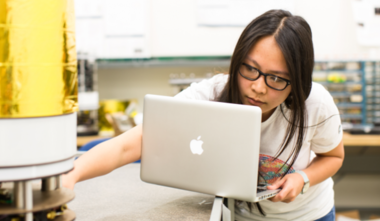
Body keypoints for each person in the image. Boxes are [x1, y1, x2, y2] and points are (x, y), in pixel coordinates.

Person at [63, 9, 344, 221]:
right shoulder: (214, 93)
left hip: (309, 215)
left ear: (297, 81)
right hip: (242, 215)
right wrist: (70, 177)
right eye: (250, 69)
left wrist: (302, 178)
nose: (258, 87)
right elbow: (130, 144)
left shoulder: (315, 103)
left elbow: (333, 156)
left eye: (277, 79)